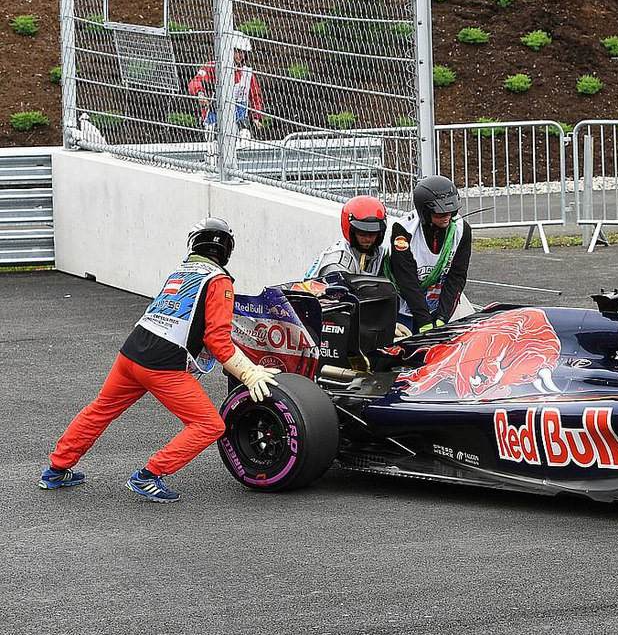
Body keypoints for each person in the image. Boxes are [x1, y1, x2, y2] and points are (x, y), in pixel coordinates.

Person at [39, 218, 279, 502]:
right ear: (227, 250)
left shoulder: (181, 270)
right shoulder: (218, 281)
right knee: (209, 425)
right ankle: (149, 475)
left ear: (194, 243)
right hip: (162, 364)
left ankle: (56, 469)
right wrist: (249, 373)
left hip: (132, 352)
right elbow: (217, 340)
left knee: (100, 409)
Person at [387, 175, 473, 333]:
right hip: (403, 310)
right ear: (425, 212)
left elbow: (457, 277)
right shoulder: (403, 231)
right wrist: (424, 322)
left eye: (451, 211)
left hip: (436, 309)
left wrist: (442, 318)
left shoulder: (462, 230)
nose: (447, 216)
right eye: (440, 213)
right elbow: (406, 279)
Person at [188, 32, 265, 138]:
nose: (240, 55)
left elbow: (256, 97)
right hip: (214, 118)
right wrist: (201, 94)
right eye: (237, 51)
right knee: (213, 135)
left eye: (242, 52)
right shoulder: (213, 67)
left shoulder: (247, 74)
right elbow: (196, 81)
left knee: (245, 135)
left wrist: (257, 117)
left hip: (239, 121)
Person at [305, 195, 389, 278]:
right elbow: (336, 291)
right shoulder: (337, 263)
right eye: (362, 233)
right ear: (351, 232)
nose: (368, 239)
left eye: (373, 233)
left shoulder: (383, 254)